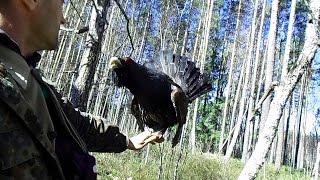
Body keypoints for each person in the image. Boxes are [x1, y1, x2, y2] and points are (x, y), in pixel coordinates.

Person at [0, 0, 162, 179]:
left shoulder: (34, 82)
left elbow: (75, 123)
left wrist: (126, 141)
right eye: (61, 3)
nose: (64, 19)